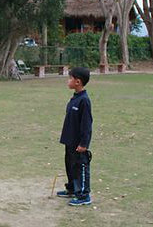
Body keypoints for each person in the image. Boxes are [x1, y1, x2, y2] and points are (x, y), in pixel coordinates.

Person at [57, 67, 93, 206]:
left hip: (79, 143)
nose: (68, 81)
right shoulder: (75, 98)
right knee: (70, 166)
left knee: (80, 166)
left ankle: (84, 194)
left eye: (70, 78)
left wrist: (84, 144)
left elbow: (86, 124)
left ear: (77, 81)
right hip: (69, 140)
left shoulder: (84, 100)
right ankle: (72, 188)